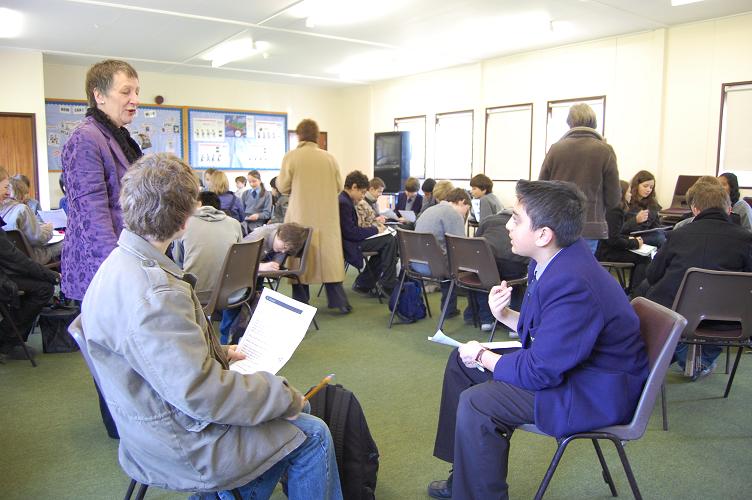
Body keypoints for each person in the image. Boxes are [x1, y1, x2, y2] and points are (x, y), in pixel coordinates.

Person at [69, 153, 342, 499]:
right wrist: (283, 395)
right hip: (183, 442)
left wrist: (217, 351)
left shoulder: (117, 264)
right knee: (312, 432)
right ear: (186, 218)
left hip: (145, 424)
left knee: (285, 418)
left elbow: (159, 358)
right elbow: (201, 395)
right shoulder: (157, 294)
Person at [428, 180, 648, 500]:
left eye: (516, 219)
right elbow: (550, 333)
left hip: (592, 391)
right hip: (573, 369)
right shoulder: (552, 260)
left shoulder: (573, 282)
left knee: (479, 402)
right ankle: (463, 474)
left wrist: (485, 356)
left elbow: (540, 370)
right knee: (460, 365)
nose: (508, 225)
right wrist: (505, 317)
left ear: (544, 235)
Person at [637, 181, 752, 377]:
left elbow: (653, 275)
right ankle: (699, 358)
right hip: (729, 319)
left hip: (675, 315)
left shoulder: (677, 235)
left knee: (645, 289)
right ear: (730, 208)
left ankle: (675, 351)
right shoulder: (746, 239)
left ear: (694, 209)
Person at [61, 58, 143, 302]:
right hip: (103, 270)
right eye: (126, 91)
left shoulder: (119, 137)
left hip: (127, 258)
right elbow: (93, 218)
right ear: (99, 95)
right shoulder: (85, 138)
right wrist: (116, 274)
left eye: (137, 92)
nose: (135, 100)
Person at [277, 119, 350, 313]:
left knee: (301, 256)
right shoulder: (329, 158)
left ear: (299, 135)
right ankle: (339, 301)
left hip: (300, 214)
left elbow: (283, 187)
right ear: (317, 136)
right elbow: (339, 187)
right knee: (329, 259)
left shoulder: (291, 157)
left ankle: (301, 302)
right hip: (327, 217)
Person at [539, 103, 620, 254]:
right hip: (589, 227)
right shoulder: (605, 150)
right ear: (594, 123)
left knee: (557, 269)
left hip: (557, 224)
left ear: (569, 123)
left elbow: (541, 190)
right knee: (581, 273)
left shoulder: (555, 149)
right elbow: (613, 199)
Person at [0, 213, 58, 360]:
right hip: (6, 274)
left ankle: (10, 339)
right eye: (4, 187)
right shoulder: (23, 209)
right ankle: (7, 338)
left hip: (8, 270)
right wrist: (52, 276)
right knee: (44, 288)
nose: (7, 190)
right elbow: (16, 258)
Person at [464, 208, 530, 333]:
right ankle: (514, 328)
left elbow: (476, 244)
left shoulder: (488, 220)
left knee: (483, 283)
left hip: (486, 265)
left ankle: (486, 320)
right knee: (516, 286)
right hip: (513, 265)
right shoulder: (520, 224)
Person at [171, 190, 243, 295]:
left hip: (194, 293)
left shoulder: (184, 224)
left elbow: (178, 261)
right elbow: (239, 257)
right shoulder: (234, 224)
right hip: (229, 294)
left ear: (199, 204)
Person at [339, 170, 398, 298]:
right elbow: (352, 233)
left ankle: (364, 283)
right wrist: (375, 230)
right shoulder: (344, 203)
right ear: (354, 187)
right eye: (362, 192)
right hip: (350, 244)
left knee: (387, 243)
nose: (362, 196)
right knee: (389, 241)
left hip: (349, 241)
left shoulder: (345, 200)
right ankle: (387, 285)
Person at [415, 188, 472, 319]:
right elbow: (460, 246)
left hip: (415, 263)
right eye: (467, 209)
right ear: (462, 201)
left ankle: (450, 308)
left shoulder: (429, 210)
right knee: (468, 265)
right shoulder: (453, 214)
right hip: (435, 267)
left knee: (446, 258)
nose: (465, 214)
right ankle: (460, 312)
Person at [595, 180, 651, 293]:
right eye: (629, 192)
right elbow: (612, 240)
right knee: (644, 257)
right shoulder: (615, 211)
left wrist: (628, 239)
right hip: (606, 253)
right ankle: (635, 293)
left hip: (606, 248)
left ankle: (633, 289)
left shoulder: (611, 209)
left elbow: (614, 234)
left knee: (643, 254)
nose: (630, 195)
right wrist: (634, 243)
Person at [0, 170, 62, 265]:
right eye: (25, 193)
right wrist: (49, 228)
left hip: (12, 259)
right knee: (67, 242)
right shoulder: (22, 209)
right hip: (31, 258)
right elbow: (38, 239)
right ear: (21, 192)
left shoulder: (3, 209)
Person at [623, 170, 665, 247]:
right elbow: (620, 229)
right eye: (645, 186)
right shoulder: (627, 201)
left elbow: (656, 225)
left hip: (647, 234)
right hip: (629, 236)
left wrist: (659, 229)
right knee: (659, 238)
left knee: (665, 235)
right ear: (637, 185)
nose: (648, 190)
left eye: (651, 187)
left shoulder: (652, 203)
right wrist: (636, 220)